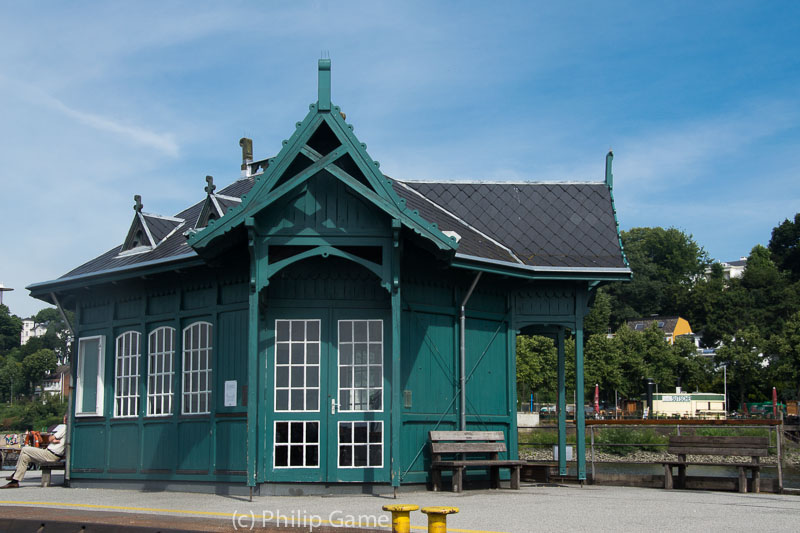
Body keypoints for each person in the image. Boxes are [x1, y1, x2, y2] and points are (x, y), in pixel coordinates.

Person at [2, 413, 67, 489]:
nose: (64, 419)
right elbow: (51, 438)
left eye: (65, 418)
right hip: (52, 454)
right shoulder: (68, 429)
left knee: (24, 449)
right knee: (25, 457)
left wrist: (53, 439)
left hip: (50, 454)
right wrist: (53, 439)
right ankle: (14, 482)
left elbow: (50, 438)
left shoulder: (65, 427)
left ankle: (15, 474)